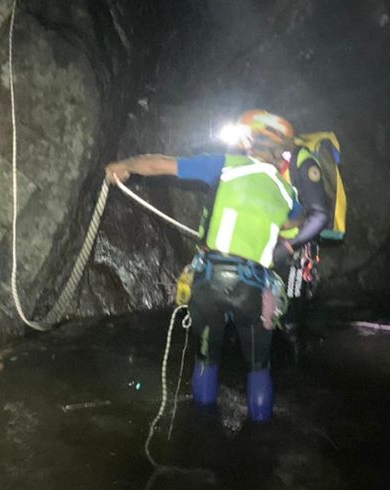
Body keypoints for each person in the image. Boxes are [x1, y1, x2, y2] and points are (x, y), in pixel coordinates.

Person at [105, 110, 301, 422]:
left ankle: (201, 431)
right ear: (281, 151)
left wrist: (125, 166)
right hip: (255, 288)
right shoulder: (288, 194)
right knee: (258, 367)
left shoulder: (225, 165)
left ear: (248, 140)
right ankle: (262, 440)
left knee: (206, 358)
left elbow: (159, 164)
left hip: (210, 279)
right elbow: (291, 232)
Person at [273, 139, 331, 364]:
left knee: (292, 305)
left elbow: (319, 215)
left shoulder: (303, 164)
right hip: (269, 244)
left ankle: (297, 362)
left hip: (297, 248)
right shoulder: (260, 163)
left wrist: (290, 246)